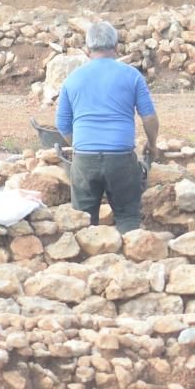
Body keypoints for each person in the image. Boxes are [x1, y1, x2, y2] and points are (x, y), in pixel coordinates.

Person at [55, 21, 159, 234]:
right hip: (121, 158)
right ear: (117, 47)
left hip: (84, 158)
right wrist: (152, 143)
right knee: (128, 218)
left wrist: (80, 147)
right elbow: (148, 117)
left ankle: (82, 263)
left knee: (83, 223)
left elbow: (62, 124)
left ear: (87, 49)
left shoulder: (72, 79)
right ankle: (133, 260)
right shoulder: (131, 75)